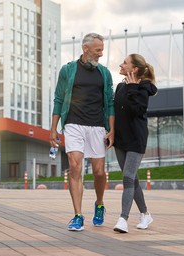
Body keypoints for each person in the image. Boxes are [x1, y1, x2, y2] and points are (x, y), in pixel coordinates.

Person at [49, 33, 115, 231]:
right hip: (73, 123)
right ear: (85, 49)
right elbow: (59, 99)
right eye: (98, 50)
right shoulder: (68, 70)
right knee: (75, 167)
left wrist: (111, 130)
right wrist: (53, 128)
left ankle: (99, 204)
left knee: (98, 172)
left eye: (102, 50)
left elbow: (110, 103)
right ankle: (77, 215)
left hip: (96, 125)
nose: (101, 54)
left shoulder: (104, 73)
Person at [112, 54, 158, 233]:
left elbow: (137, 110)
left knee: (128, 178)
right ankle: (145, 214)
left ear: (135, 69)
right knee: (133, 179)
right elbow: (117, 112)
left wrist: (133, 88)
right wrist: (111, 132)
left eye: (125, 62)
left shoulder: (144, 88)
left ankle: (123, 219)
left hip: (136, 140)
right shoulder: (121, 86)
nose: (121, 64)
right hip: (120, 140)